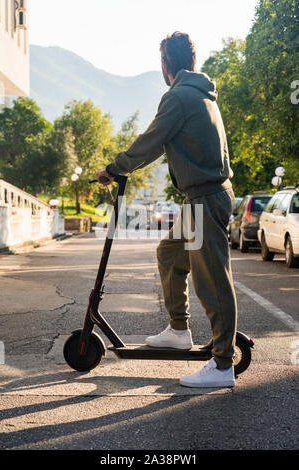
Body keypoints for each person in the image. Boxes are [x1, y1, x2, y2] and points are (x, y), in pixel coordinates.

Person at [96, 31, 237, 388]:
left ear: (165, 64)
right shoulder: (198, 94)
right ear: (190, 61)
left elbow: (151, 139)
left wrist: (115, 168)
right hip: (202, 198)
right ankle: (178, 330)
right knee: (170, 253)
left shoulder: (178, 96)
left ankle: (222, 366)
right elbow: (162, 143)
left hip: (205, 199)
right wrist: (127, 166)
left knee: (213, 282)